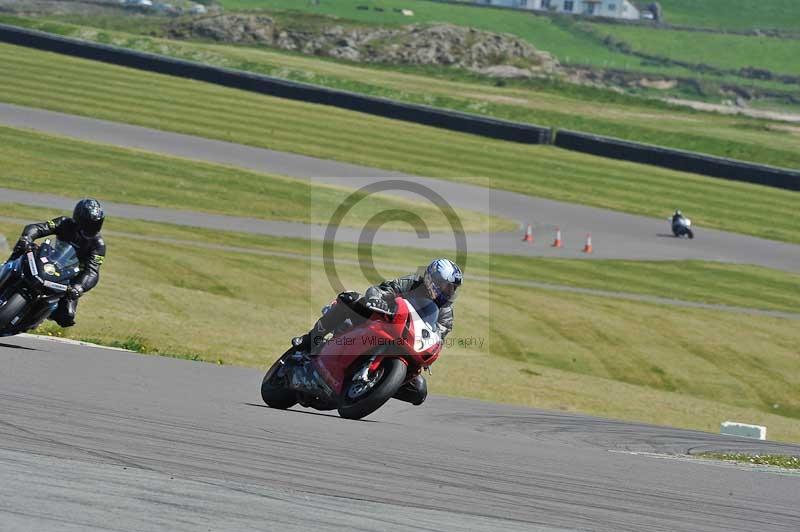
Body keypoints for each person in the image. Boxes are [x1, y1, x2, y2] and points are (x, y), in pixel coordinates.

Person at [293, 258, 463, 406]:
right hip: (383, 321)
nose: (450, 292)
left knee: (419, 391)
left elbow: (438, 337)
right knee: (349, 299)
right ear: (432, 279)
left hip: (408, 343)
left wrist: (430, 352)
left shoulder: (446, 313)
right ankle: (310, 340)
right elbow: (384, 289)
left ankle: (377, 385)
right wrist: (377, 299)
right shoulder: (411, 284)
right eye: (447, 287)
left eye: (453, 289)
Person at [9, 198, 106, 327]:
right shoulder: (64, 222)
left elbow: (92, 271)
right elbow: (39, 228)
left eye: (95, 223)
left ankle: (34, 319)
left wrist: (80, 287)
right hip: (47, 258)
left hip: (69, 276)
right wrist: (27, 237)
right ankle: (6, 269)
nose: (92, 227)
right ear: (78, 218)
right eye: (88, 223)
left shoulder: (98, 245)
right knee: (22, 250)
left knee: (67, 316)